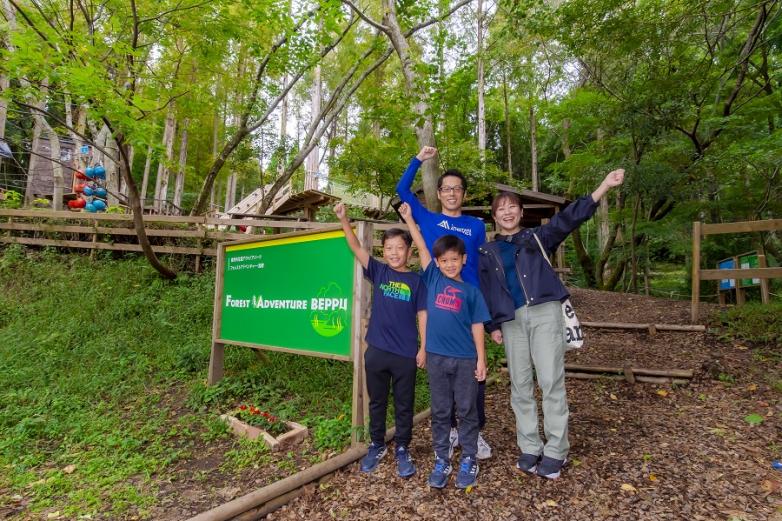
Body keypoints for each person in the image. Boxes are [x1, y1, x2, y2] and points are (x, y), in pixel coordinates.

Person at [477, 168, 625, 480]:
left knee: (550, 381)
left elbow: (570, 218)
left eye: (512, 206)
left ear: (520, 211)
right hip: (511, 321)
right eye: (500, 208)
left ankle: (557, 448)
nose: (507, 212)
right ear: (494, 216)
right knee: (520, 385)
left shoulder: (538, 237)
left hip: (545, 313)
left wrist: (603, 187)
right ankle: (530, 445)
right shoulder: (487, 251)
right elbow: (487, 291)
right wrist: (491, 326)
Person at [396, 146, 492, 460]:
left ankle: (474, 433)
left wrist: (487, 313)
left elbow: (480, 268)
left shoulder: (476, 226)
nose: (451, 193)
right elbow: (401, 190)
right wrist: (419, 159)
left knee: (474, 371)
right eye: (446, 188)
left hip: (468, 307)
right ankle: (451, 431)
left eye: (457, 189)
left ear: (463, 194)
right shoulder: (427, 216)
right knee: (443, 372)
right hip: (438, 302)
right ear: (438, 193)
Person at [335, 202, 427, 478]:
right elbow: (355, 246)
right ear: (383, 251)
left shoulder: (416, 281)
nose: (394, 253)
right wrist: (344, 220)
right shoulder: (379, 271)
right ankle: (377, 444)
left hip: (405, 355)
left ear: (408, 251)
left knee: (404, 403)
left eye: (399, 248)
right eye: (389, 248)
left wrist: (423, 347)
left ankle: (402, 448)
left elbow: (423, 314)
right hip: (376, 350)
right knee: (377, 401)